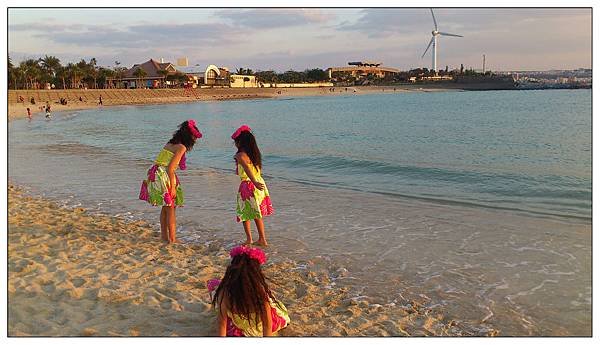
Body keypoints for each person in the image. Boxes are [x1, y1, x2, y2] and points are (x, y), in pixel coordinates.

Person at [139, 119, 202, 243]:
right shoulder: (181, 147)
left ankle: (164, 237)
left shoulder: (170, 143)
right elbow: (171, 169)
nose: (195, 141)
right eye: (194, 138)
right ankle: (173, 239)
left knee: (165, 207)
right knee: (171, 208)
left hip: (154, 172)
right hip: (163, 175)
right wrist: (172, 187)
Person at [209, 245, 290, 337]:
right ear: (256, 274)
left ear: (232, 271)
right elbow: (267, 325)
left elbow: (222, 324)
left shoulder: (225, 292)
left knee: (213, 284)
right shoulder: (260, 293)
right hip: (263, 327)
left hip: (240, 326)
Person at [232, 125, 274, 247]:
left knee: (244, 213)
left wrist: (253, 181)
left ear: (240, 142)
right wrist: (256, 182)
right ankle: (262, 239)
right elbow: (254, 170)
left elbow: (246, 169)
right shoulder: (254, 154)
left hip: (248, 185)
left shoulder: (240, 155)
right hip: (259, 184)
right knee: (257, 213)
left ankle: (249, 239)